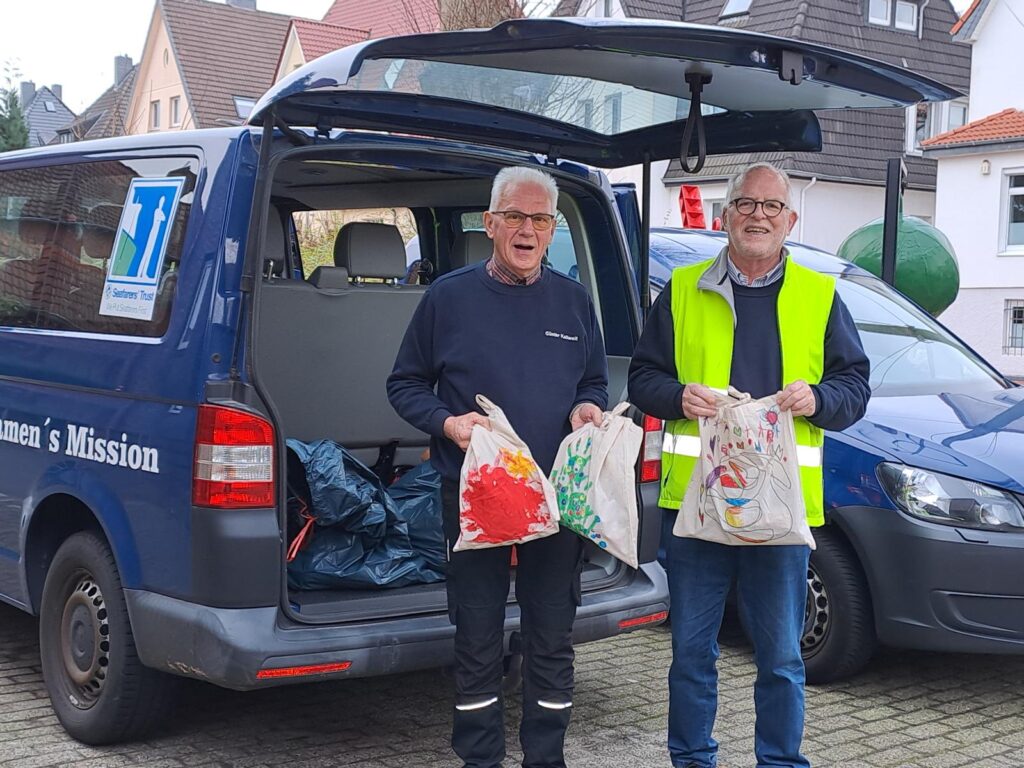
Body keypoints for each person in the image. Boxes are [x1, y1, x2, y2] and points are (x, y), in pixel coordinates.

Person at [627, 162, 870, 768]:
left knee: (783, 659)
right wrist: (675, 395)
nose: (757, 215)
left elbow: (855, 387)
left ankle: (781, 762)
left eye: (771, 206)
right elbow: (642, 377)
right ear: (725, 214)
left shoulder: (819, 295)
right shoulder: (682, 289)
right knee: (690, 654)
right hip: (697, 508)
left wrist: (820, 399)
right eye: (745, 204)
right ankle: (692, 759)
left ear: (790, 220)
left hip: (780, 512)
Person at [387, 165, 608, 768]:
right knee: (477, 636)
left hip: (555, 501)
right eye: (515, 216)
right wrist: (449, 423)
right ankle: (480, 758)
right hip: (475, 498)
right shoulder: (448, 298)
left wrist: (590, 406)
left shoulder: (572, 299)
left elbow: (593, 380)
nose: (528, 229)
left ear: (553, 228)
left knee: (552, 636)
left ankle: (546, 757)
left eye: (541, 218)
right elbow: (405, 385)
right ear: (490, 224)